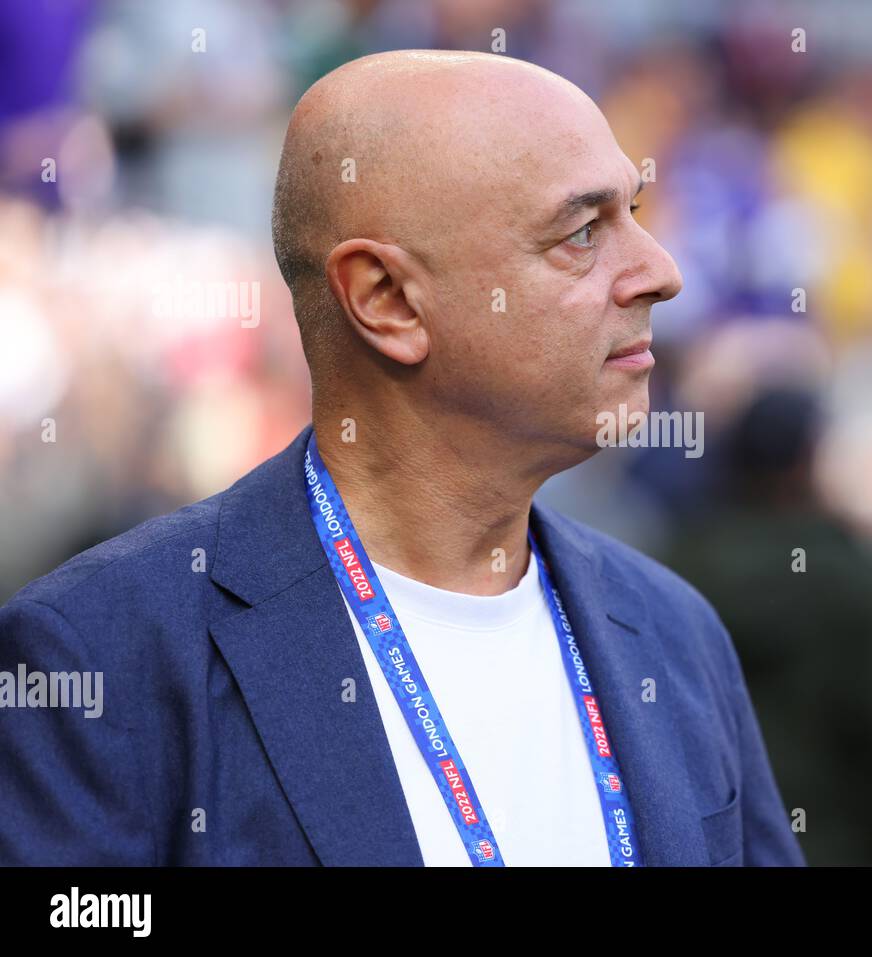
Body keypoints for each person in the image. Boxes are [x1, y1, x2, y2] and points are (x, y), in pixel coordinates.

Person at [0, 50, 804, 867]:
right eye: (584, 232)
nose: (661, 274)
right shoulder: (106, 655)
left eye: (636, 211)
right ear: (386, 299)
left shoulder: (676, 632)